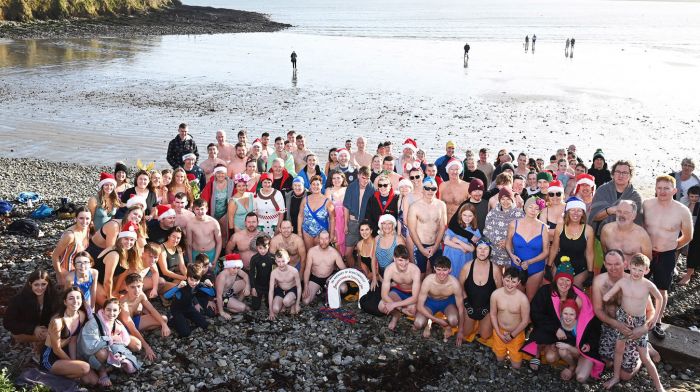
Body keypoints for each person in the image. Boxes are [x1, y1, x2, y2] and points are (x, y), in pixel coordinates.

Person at [522, 261, 604, 377]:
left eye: (568, 280)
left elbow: (589, 322)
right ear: (556, 279)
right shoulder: (545, 291)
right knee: (550, 357)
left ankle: (570, 358)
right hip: (550, 329)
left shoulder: (578, 298)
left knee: (556, 355)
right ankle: (539, 352)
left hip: (569, 334)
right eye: (561, 279)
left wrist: (589, 342)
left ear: (571, 282)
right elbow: (536, 313)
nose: (564, 283)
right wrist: (555, 328)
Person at [592, 250, 661, 383]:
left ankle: (644, 350)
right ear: (605, 264)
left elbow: (651, 311)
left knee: (625, 376)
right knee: (606, 363)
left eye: (617, 264)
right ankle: (643, 348)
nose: (613, 268)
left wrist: (644, 329)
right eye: (609, 264)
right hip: (611, 328)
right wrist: (617, 324)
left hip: (633, 331)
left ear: (625, 264)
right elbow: (598, 310)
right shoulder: (599, 281)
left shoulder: (637, 281)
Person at [642, 175, 693, 338]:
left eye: (666, 188)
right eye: (659, 188)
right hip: (645, 253)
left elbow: (688, 236)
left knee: (662, 289)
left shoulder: (682, 210)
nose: (662, 191)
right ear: (655, 189)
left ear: (674, 190)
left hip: (666, 254)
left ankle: (657, 322)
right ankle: (639, 317)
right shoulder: (647, 204)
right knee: (640, 285)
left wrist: (671, 247)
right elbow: (639, 227)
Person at [39, 287, 97, 385]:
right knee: (85, 368)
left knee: (93, 380)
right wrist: (72, 363)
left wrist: (73, 362)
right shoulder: (57, 321)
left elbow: (73, 341)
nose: (75, 301)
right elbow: (56, 349)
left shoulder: (81, 315)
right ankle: (52, 376)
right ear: (65, 302)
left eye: (78, 298)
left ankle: (63, 376)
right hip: (50, 358)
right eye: (71, 298)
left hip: (66, 353)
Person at [78, 297, 139, 387]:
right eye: (108, 310)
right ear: (103, 310)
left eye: (115, 310)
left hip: (103, 347)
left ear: (119, 311)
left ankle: (113, 364)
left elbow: (125, 340)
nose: (111, 313)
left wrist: (116, 346)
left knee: (135, 345)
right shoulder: (93, 323)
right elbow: (89, 347)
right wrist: (110, 339)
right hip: (85, 353)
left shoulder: (117, 323)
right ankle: (102, 372)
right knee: (103, 354)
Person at [3, 269, 56, 358]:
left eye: (43, 284)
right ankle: (40, 343)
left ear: (48, 284)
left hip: (46, 329)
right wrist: (33, 329)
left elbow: (59, 313)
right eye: (36, 284)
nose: (40, 288)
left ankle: (42, 344)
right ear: (30, 284)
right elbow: (8, 323)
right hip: (25, 331)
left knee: (52, 333)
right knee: (47, 336)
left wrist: (50, 327)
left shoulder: (53, 296)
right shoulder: (19, 299)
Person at [413, 256, 465, 345]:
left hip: (447, 303)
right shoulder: (428, 281)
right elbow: (419, 306)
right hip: (430, 303)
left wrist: (460, 330)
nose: (441, 273)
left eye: (444, 270)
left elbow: (461, 308)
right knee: (418, 323)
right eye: (439, 269)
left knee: (454, 321)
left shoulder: (454, 284)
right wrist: (437, 320)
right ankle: (430, 322)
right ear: (434, 268)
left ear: (450, 269)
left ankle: (446, 325)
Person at [118, 273, 170, 361]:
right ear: (126, 288)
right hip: (124, 329)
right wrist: (147, 347)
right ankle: (135, 338)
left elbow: (152, 309)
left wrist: (164, 325)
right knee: (137, 346)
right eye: (132, 287)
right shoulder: (123, 303)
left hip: (135, 322)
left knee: (164, 319)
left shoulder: (141, 294)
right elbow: (131, 327)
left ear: (142, 285)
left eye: (138, 286)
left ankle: (140, 335)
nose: (136, 290)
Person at [506, 197, 549, 301]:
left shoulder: (543, 228)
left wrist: (530, 262)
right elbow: (508, 244)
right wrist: (512, 256)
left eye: (537, 208)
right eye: (530, 207)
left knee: (531, 298)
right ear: (525, 207)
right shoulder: (513, 224)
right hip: (517, 267)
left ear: (540, 210)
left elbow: (546, 251)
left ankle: (528, 317)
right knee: (517, 297)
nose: (533, 211)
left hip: (536, 268)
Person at [548, 197, 595, 288]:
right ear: (567, 212)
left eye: (579, 211)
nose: (576, 213)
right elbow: (554, 248)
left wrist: (590, 273)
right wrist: (548, 266)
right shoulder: (560, 227)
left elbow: (589, 253)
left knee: (576, 296)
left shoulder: (588, 230)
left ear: (583, 213)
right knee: (556, 294)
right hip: (560, 265)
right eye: (572, 210)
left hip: (580, 268)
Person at [459, 241, 501, 340]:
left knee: (485, 335)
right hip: (470, 304)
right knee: (466, 333)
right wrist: (466, 304)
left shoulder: (495, 269)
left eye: (486, 249)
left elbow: (499, 292)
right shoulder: (467, 267)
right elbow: (459, 286)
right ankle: (473, 321)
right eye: (480, 248)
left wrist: (489, 308)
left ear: (490, 251)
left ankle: (481, 324)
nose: (482, 252)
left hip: (486, 307)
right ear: (476, 249)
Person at [95, 221, 142, 306]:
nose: (129, 242)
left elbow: (124, 273)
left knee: (130, 292)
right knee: (111, 305)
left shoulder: (127, 252)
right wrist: (110, 297)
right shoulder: (114, 254)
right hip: (96, 281)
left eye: (132, 240)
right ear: (120, 239)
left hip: (107, 282)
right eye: (126, 239)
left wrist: (116, 291)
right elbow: (107, 280)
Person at [489, 267, 529, 368]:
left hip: (516, 333)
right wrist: (498, 333)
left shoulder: (522, 299)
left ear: (518, 282)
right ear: (502, 279)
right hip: (500, 331)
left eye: (513, 282)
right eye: (507, 280)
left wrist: (512, 335)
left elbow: (525, 321)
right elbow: (493, 314)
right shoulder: (495, 294)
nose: (509, 284)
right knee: (499, 359)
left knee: (516, 366)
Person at [590, 160, 643, 235]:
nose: (620, 175)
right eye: (618, 172)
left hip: (626, 237)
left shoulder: (635, 197)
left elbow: (637, 222)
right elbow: (594, 216)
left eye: (624, 173)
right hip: (600, 236)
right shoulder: (602, 190)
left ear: (630, 176)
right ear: (613, 174)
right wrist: (610, 210)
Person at [408, 177, 447, 276]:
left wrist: (436, 246)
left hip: (436, 245)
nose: (430, 191)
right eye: (427, 188)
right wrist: (421, 249)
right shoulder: (414, 207)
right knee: (420, 275)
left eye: (433, 188)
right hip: (420, 245)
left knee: (437, 274)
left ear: (436, 190)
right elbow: (412, 230)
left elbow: (443, 227)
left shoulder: (441, 205)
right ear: (422, 189)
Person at [163, 264, 215, 337]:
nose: (193, 283)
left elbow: (212, 293)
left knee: (205, 324)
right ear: (187, 277)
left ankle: (185, 320)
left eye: (196, 280)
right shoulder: (182, 285)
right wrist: (177, 287)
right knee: (185, 333)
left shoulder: (198, 285)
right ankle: (171, 318)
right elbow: (166, 296)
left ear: (200, 279)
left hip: (189, 308)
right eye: (191, 280)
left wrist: (211, 286)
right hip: (177, 310)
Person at [379, 244, 422, 330]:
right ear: (394, 259)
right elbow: (384, 295)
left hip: (412, 294)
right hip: (398, 292)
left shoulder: (415, 270)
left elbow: (415, 297)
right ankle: (396, 315)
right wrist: (401, 309)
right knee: (381, 306)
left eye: (406, 260)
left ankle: (414, 316)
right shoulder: (389, 270)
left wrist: (395, 305)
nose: (404, 263)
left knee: (412, 310)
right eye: (400, 260)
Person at [600, 200, 652, 265]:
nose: (621, 215)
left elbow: (648, 259)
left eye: (626, 212)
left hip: (632, 272)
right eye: (619, 211)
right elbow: (604, 250)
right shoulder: (606, 230)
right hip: (612, 268)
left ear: (634, 215)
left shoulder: (641, 235)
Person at [484, 187, 525, 268]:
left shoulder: (519, 214)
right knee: (497, 277)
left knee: (509, 278)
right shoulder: (492, 213)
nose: (505, 202)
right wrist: (497, 241)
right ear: (499, 200)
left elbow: (523, 232)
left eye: (508, 199)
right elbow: (486, 231)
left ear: (512, 200)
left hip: (513, 253)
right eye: (503, 199)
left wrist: (508, 242)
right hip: (496, 251)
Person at [303, 231, 347, 304]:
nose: (324, 241)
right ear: (318, 239)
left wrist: (343, 280)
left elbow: (344, 269)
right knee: (305, 301)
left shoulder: (334, 253)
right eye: (322, 239)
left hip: (329, 277)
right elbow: (307, 270)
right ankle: (320, 289)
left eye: (326, 238)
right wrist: (306, 286)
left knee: (343, 289)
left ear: (329, 239)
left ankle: (326, 289)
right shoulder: (312, 251)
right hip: (316, 278)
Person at [343, 166, 375, 265]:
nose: (365, 181)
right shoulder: (351, 187)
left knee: (361, 254)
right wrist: (345, 224)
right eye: (363, 178)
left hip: (365, 225)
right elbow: (346, 206)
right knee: (348, 254)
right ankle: (353, 272)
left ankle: (361, 274)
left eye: (367, 178)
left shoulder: (371, 188)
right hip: (352, 223)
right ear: (358, 176)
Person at [52, 207, 91, 285]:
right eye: (81, 218)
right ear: (75, 219)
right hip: (67, 270)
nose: (84, 221)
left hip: (81, 268)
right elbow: (55, 256)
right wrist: (59, 275)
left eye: (87, 218)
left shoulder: (87, 229)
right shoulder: (70, 235)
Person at [443, 203, 480, 278]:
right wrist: (461, 247)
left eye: (470, 216)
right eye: (464, 215)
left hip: (464, 258)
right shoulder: (455, 227)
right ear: (460, 215)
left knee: (462, 277)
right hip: (451, 256)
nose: (467, 218)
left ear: (474, 217)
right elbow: (446, 241)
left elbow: (471, 249)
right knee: (449, 277)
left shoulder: (474, 231)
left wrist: (457, 241)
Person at [299, 175, 334, 249]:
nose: (315, 186)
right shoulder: (305, 200)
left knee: (321, 256)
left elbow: (332, 219)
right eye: (313, 184)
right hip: (307, 231)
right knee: (309, 253)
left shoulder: (327, 201)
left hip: (322, 233)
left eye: (318, 184)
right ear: (310, 186)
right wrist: (299, 232)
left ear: (321, 186)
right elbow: (300, 216)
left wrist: (331, 234)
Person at [186, 198, 222, 265]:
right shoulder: (190, 224)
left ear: (206, 209)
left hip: (211, 254)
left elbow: (219, 242)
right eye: (197, 209)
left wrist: (215, 259)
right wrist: (190, 261)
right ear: (193, 210)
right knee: (196, 275)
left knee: (211, 274)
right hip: (196, 254)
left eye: (202, 209)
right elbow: (189, 245)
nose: (200, 212)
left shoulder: (214, 223)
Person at [268, 249, 302, 320]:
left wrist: (297, 304)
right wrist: (271, 311)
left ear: (288, 259)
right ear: (275, 261)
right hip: (280, 290)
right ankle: (283, 305)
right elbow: (271, 291)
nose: (281, 264)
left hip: (292, 290)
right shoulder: (274, 273)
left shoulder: (294, 271)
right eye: (278, 262)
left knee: (286, 302)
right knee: (275, 309)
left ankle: (292, 303)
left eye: (283, 261)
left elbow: (299, 287)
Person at [216, 254, 251, 319]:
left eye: (238, 268)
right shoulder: (222, 276)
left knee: (244, 283)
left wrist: (247, 287)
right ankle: (223, 307)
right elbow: (219, 296)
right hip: (223, 297)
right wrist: (222, 312)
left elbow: (246, 276)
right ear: (228, 266)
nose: (236, 271)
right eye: (234, 268)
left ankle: (237, 302)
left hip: (229, 290)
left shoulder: (236, 269)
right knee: (242, 308)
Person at [157, 227, 187, 292]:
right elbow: (165, 272)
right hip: (163, 280)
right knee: (180, 289)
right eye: (173, 236)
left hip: (175, 278)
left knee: (188, 285)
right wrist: (184, 278)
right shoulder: (161, 249)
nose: (176, 240)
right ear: (168, 236)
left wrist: (189, 276)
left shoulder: (178, 248)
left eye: (178, 238)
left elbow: (182, 267)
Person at [680, 186, 700, 285]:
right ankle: (690, 273)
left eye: (697, 197)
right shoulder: (686, 203)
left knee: (693, 253)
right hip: (688, 231)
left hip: (696, 233)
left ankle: (688, 275)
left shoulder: (698, 205)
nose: (694, 199)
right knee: (688, 252)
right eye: (692, 196)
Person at [250, 236, 276, 311]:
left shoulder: (272, 258)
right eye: (260, 248)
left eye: (265, 248)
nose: (263, 250)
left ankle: (267, 299)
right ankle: (259, 298)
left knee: (270, 306)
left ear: (269, 246)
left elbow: (276, 271)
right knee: (255, 307)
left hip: (269, 285)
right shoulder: (254, 259)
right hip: (258, 285)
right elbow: (251, 274)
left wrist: (275, 283)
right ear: (257, 247)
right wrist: (253, 288)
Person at [326, 170, 348, 255]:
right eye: (334, 178)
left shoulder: (347, 189)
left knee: (345, 244)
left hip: (345, 220)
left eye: (338, 178)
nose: (336, 180)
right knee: (335, 242)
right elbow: (328, 208)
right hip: (333, 221)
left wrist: (346, 224)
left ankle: (343, 262)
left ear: (343, 178)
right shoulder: (328, 190)